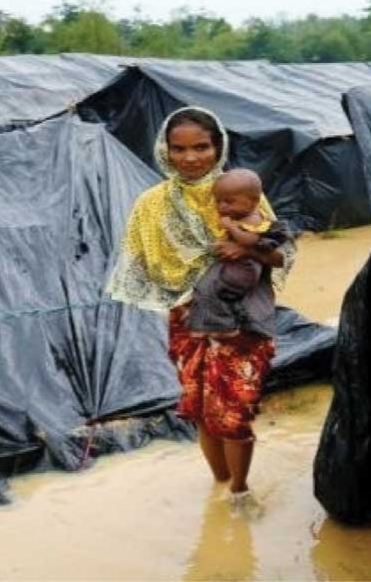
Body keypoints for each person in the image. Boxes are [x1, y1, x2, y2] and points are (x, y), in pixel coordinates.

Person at [107, 106, 295, 512]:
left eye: (201, 147)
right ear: (165, 151)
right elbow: (146, 265)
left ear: (218, 146)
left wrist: (245, 247)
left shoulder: (242, 192)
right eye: (179, 149)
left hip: (243, 317)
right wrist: (197, 275)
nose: (191, 158)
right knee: (201, 408)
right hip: (187, 318)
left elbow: (281, 257)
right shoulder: (152, 205)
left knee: (236, 407)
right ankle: (220, 483)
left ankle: (240, 491)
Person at [187, 168, 290, 339]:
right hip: (233, 269)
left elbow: (256, 244)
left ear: (253, 201)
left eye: (228, 202)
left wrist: (232, 229)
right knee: (208, 288)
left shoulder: (253, 219)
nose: (221, 207)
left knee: (212, 288)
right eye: (218, 201)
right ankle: (215, 324)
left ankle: (222, 325)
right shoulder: (155, 201)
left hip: (243, 268)